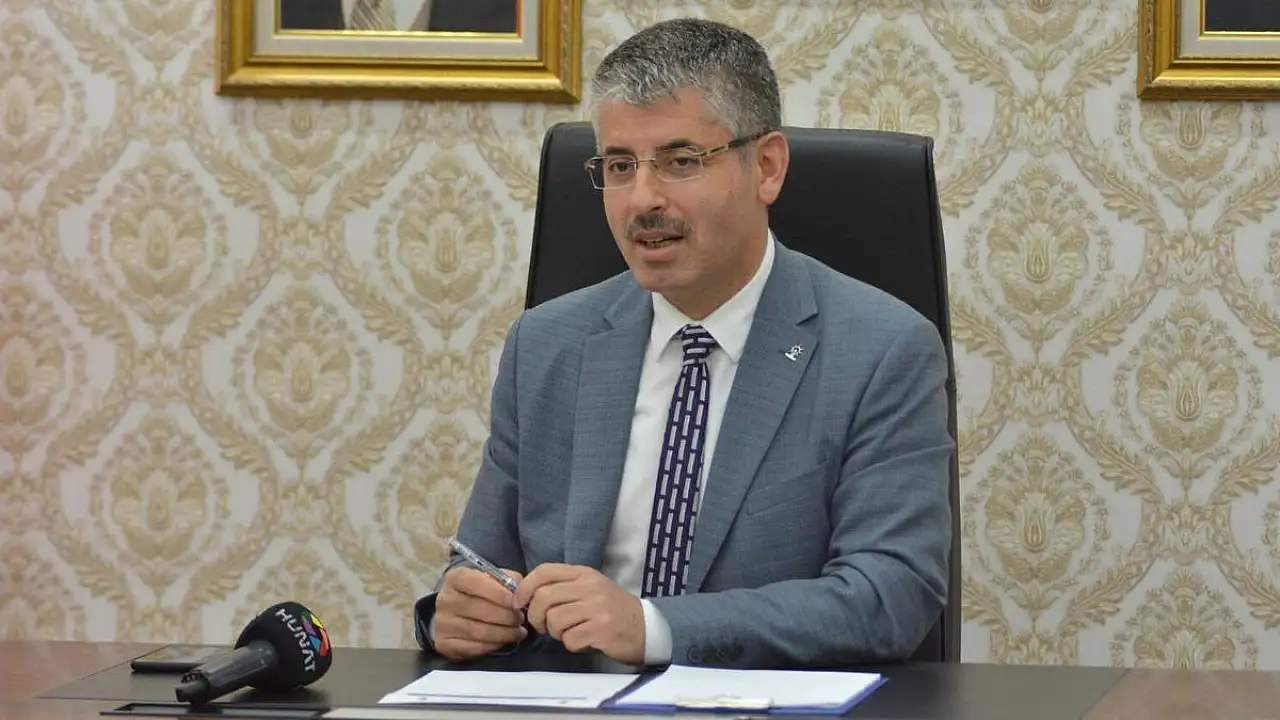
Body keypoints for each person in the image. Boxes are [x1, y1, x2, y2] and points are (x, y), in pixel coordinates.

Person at [412, 17, 955, 669]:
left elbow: (888, 597)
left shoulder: (882, 351)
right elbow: (480, 565)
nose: (642, 200)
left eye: (680, 162)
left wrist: (652, 626)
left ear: (767, 168)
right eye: (619, 166)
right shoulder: (547, 345)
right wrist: (458, 612)